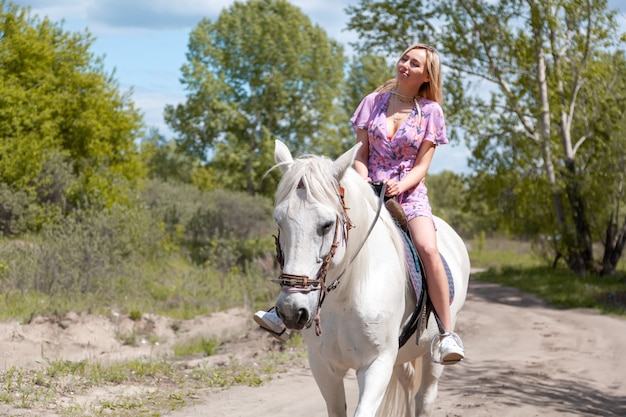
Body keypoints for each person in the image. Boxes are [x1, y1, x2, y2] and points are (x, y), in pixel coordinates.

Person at [255, 43, 464, 364]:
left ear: (426, 76)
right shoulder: (372, 103)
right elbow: (362, 154)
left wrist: (401, 184)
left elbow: (422, 165)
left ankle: (445, 333)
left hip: (408, 193)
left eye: (415, 63)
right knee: (323, 236)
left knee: (428, 248)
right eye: (404, 58)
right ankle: (282, 311)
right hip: (365, 188)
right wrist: (366, 183)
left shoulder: (431, 113)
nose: (405, 65)